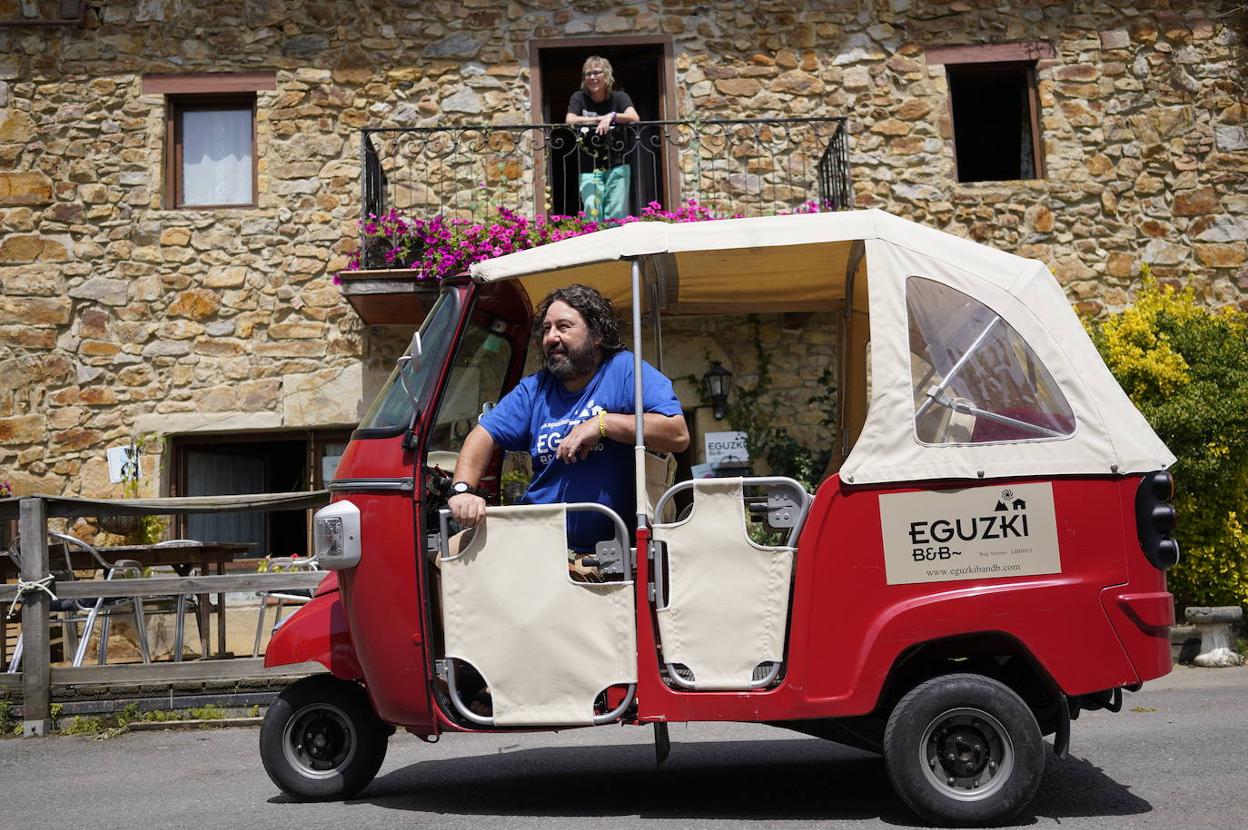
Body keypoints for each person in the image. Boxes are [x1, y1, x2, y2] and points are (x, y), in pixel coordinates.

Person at [447, 284, 689, 557]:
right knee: (448, 556)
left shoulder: (624, 371)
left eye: (563, 327)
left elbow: (677, 434)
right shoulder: (535, 388)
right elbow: (483, 434)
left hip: (609, 551)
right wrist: (463, 491)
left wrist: (603, 424)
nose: (551, 337)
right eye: (547, 328)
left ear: (597, 334)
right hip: (537, 540)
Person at [565, 56, 639, 222]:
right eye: (588, 74)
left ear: (606, 75)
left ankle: (615, 247)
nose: (592, 77)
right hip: (588, 166)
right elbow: (570, 119)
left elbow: (634, 117)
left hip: (618, 163)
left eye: (596, 72)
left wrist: (612, 116)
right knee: (592, 211)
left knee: (616, 214)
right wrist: (597, 119)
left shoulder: (620, 97)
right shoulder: (579, 98)